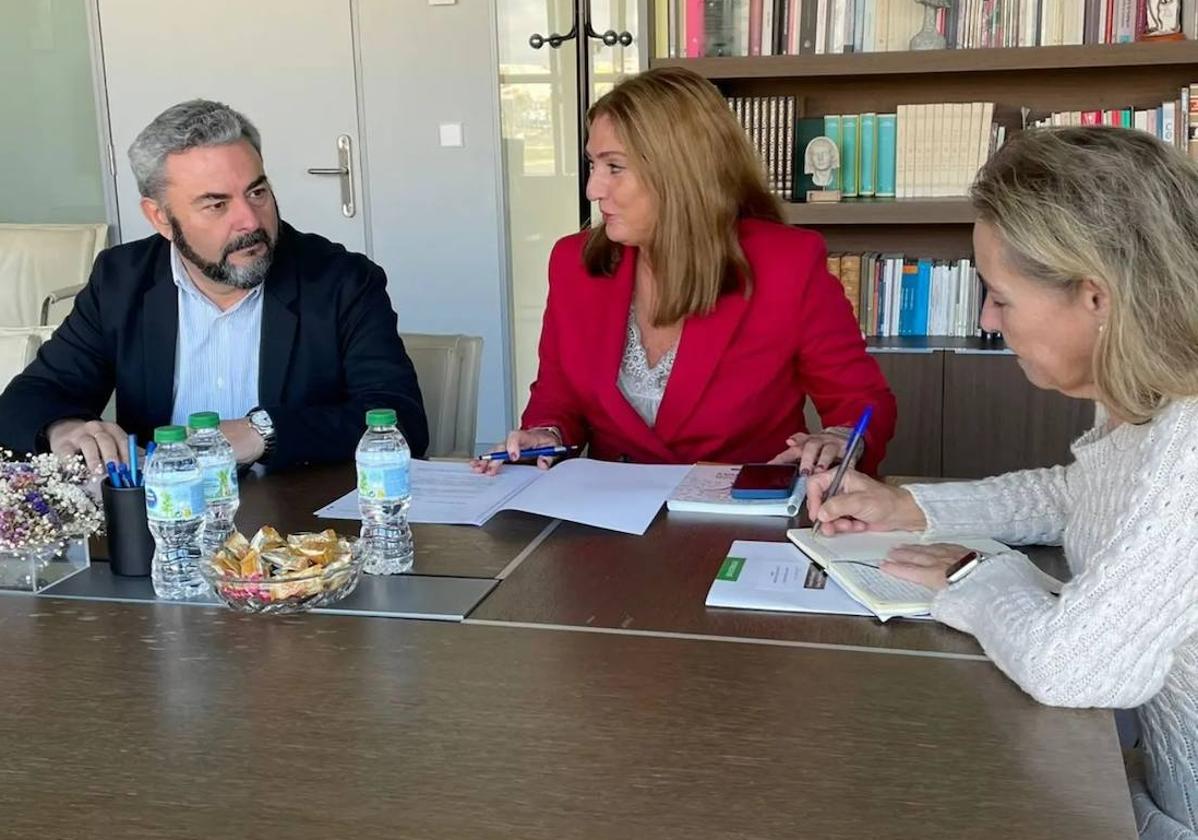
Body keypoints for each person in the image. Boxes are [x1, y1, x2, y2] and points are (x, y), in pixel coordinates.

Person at [805, 127, 1198, 840]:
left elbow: (1072, 666)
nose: (986, 319)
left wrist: (974, 575)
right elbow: (1079, 495)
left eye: (999, 296)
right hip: (1144, 783)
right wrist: (908, 506)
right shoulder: (1148, 389)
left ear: (1096, 297)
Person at [475, 67, 895, 475]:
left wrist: (840, 438)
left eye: (614, 167)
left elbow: (860, 401)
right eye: (593, 165)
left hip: (739, 510)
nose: (593, 188)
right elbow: (558, 395)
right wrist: (545, 433)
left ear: (680, 172)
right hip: (608, 513)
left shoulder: (788, 263)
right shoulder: (574, 262)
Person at [0, 99, 428, 470]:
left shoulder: (340, 280)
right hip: (164, 523)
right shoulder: (121, 280)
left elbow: (401, 420)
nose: (250, 221)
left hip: (300, 527)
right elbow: (29, 398)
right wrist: (63, 429)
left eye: (257, 192)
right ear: (160, 218)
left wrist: (261, 432)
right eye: (216, 204)